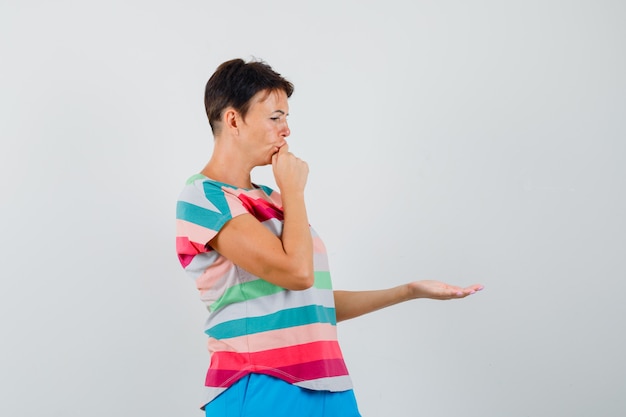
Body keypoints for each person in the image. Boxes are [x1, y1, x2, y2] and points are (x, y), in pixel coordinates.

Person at [175, 58, 484, 417]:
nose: (286, 130)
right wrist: (294, 191)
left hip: (330, 385)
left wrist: (409, 291)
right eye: (275, 117)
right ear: (233, 120)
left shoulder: (272, 201)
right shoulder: (204, 197)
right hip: (259, 383)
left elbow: (309, 300)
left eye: (287, 118)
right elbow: (297, 273)